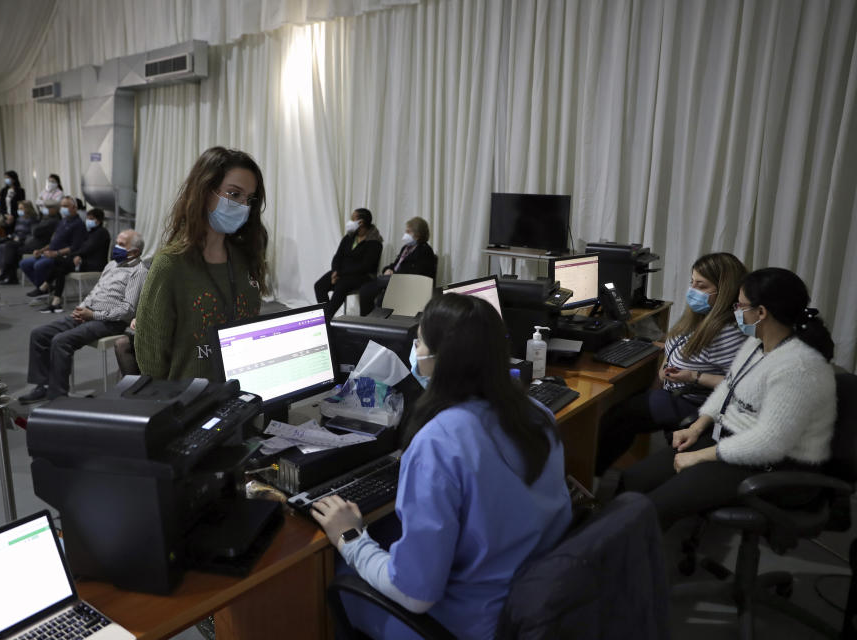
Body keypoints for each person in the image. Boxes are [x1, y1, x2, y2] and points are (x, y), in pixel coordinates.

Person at [311, 294, 572, 639]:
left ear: (438, 359)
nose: (415, 350)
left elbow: (415, 595)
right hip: (533, 602)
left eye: (418, 342)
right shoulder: (538, 414)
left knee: (336, 573)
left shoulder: (438, 443)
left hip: (467, 623)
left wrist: (350, 537)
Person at [620, 267, 837, 529]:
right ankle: (601, 548)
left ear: (761, 313)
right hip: (733, 443)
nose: (735, 310)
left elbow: (769, 443)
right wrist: (697, 426)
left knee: (652, 508)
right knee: (634, 480)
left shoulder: (799, 369)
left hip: (773, 467)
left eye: (740, 305)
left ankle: (621, 558)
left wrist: (700, 456)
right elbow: (728, 389)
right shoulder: (758, 343)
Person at [595, 253, 748, 474]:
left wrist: (693, 376)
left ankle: (592, 478)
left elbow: (740, 386)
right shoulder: (698, 318)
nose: (692, 290)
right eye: (692, 282)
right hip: (671, 391)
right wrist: (656, 379)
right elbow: (673, 346)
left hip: (695, 403)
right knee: (622, 411)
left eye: (701, 285)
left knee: (618, 418)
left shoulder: (731, 334)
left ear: (724, 291)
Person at [135, 146, 268, 380]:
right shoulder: (170, 266)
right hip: (191, 405)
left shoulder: (244, 259)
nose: (243, 207)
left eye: (249, 199)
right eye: (234, 194)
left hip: (243, 396)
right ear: (205, 191)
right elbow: (152, 360)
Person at [19, 231, 148, 403]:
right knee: (39, 334)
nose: (116, 247)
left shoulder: (138, 272)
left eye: (122, 244)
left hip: (110, 321)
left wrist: (93, 314)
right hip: (88, 313)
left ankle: (58, 397)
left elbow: (128, 310)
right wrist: (82, 308)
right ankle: (42, 386)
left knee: (61, 341)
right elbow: (96, 291)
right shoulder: (111, 265)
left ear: (135, 252)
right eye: (116, 242)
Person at [358, 216, 437, 316]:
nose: (405, 234)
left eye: (408, 232)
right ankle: (366, 321)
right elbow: (395, 264)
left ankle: (379, 324)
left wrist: (395, 274)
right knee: (365, 290)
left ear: (418, 234)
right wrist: (388, 269)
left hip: (408, 284)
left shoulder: (425, 251)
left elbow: (418, 273)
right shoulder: (406, 248)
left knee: (383, 298)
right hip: (393, 280)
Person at [314, 208, 383, 317]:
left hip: (363, 276)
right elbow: (338, 256)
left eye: (352, 219)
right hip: (342, 273)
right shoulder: (349, 237)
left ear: (361, 222)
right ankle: (326, 316)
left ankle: (327, 319)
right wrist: (335, 271)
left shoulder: (374, 242)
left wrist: (340, 274)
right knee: (319, 285)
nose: (350, 221)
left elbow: (366, 266)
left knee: (341, 285)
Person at [43, 208, 111, 312]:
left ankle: (47, 285)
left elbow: (87, 249)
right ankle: (56, 300)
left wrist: (75, 255)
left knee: (59, 262)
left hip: (94, 265)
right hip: (84, 262)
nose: (88, 220)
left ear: (99, 220)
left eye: (91, 218)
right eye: (87, 218)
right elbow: (81, 248)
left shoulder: (101, 233)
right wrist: (76, 255)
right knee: (60, 268)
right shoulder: (92, 232)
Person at [19, 196, 85, 298]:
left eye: (66, 206)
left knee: (38, 265)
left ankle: (43, 288)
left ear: (74, 207)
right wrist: (41, 251)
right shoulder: (62, 221)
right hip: (49, 253)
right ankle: (45, 288)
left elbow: (75, 247)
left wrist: (56, 253)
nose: (63, 208)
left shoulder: (78, 224)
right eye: (62, 206)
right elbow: (53, 242)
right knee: (24, 264)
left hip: (61, 257)